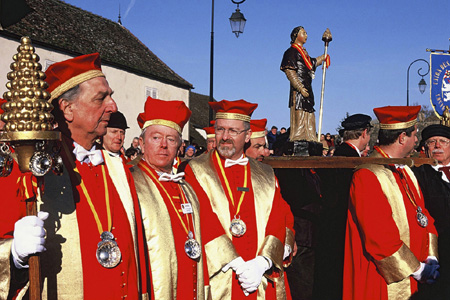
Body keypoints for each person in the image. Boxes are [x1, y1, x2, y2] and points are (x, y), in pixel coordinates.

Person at [0, 53, 149, 299]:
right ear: (68, 109)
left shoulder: (117, 167)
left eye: (110, 96)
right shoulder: (31, 170)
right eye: (101, 98)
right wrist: (14, 255)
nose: (113, 106)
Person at [184, 99, 288, 299]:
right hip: (220, 273)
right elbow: (202, 215)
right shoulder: (196, 169)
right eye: (220, 129)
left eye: (233, 131)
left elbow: (278, 216)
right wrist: (236, 264)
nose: (224, 137)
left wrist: (263, 262)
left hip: (260, 276)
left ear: (248, 135)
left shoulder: (265, 173)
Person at [343, 106, 439, 300]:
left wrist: (431, 256)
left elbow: (423, 214)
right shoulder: (367, 175)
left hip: (416, 273)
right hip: (384, 278)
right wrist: (418, 269)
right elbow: (379, 236)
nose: (416, 140)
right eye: (414, 134)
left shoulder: (404, 169)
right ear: (402, 137)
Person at [131, 96, 210, 299]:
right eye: (156, 138)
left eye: (171, 139)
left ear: (179, 147)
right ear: (141, 143)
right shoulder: (129, 182)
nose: (163, 145)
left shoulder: (186, 188)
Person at [314, 113, 372, 300]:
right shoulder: (350, 158)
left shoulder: (341, 152)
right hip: (342, 226)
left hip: (331, 224)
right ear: (364, 133)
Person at [413, 124, 450, 299]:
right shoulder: (417, 175)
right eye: (432, 142)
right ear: (424, 148)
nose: (437, 146)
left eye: (443, 141)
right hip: (434, 254)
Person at [280, 26, 329, 142]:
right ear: (296, 35)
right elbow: (290, 71)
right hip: (298, 90)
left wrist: (323, 57)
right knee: (300, 112)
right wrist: (300, 87)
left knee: (309, 112)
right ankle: (299, 137)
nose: (306, 35)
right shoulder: (291, 52)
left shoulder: (303, 53)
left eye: (306, 33)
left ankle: (310, 136)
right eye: (303, 33)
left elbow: (311, 63)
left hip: (308, 86)